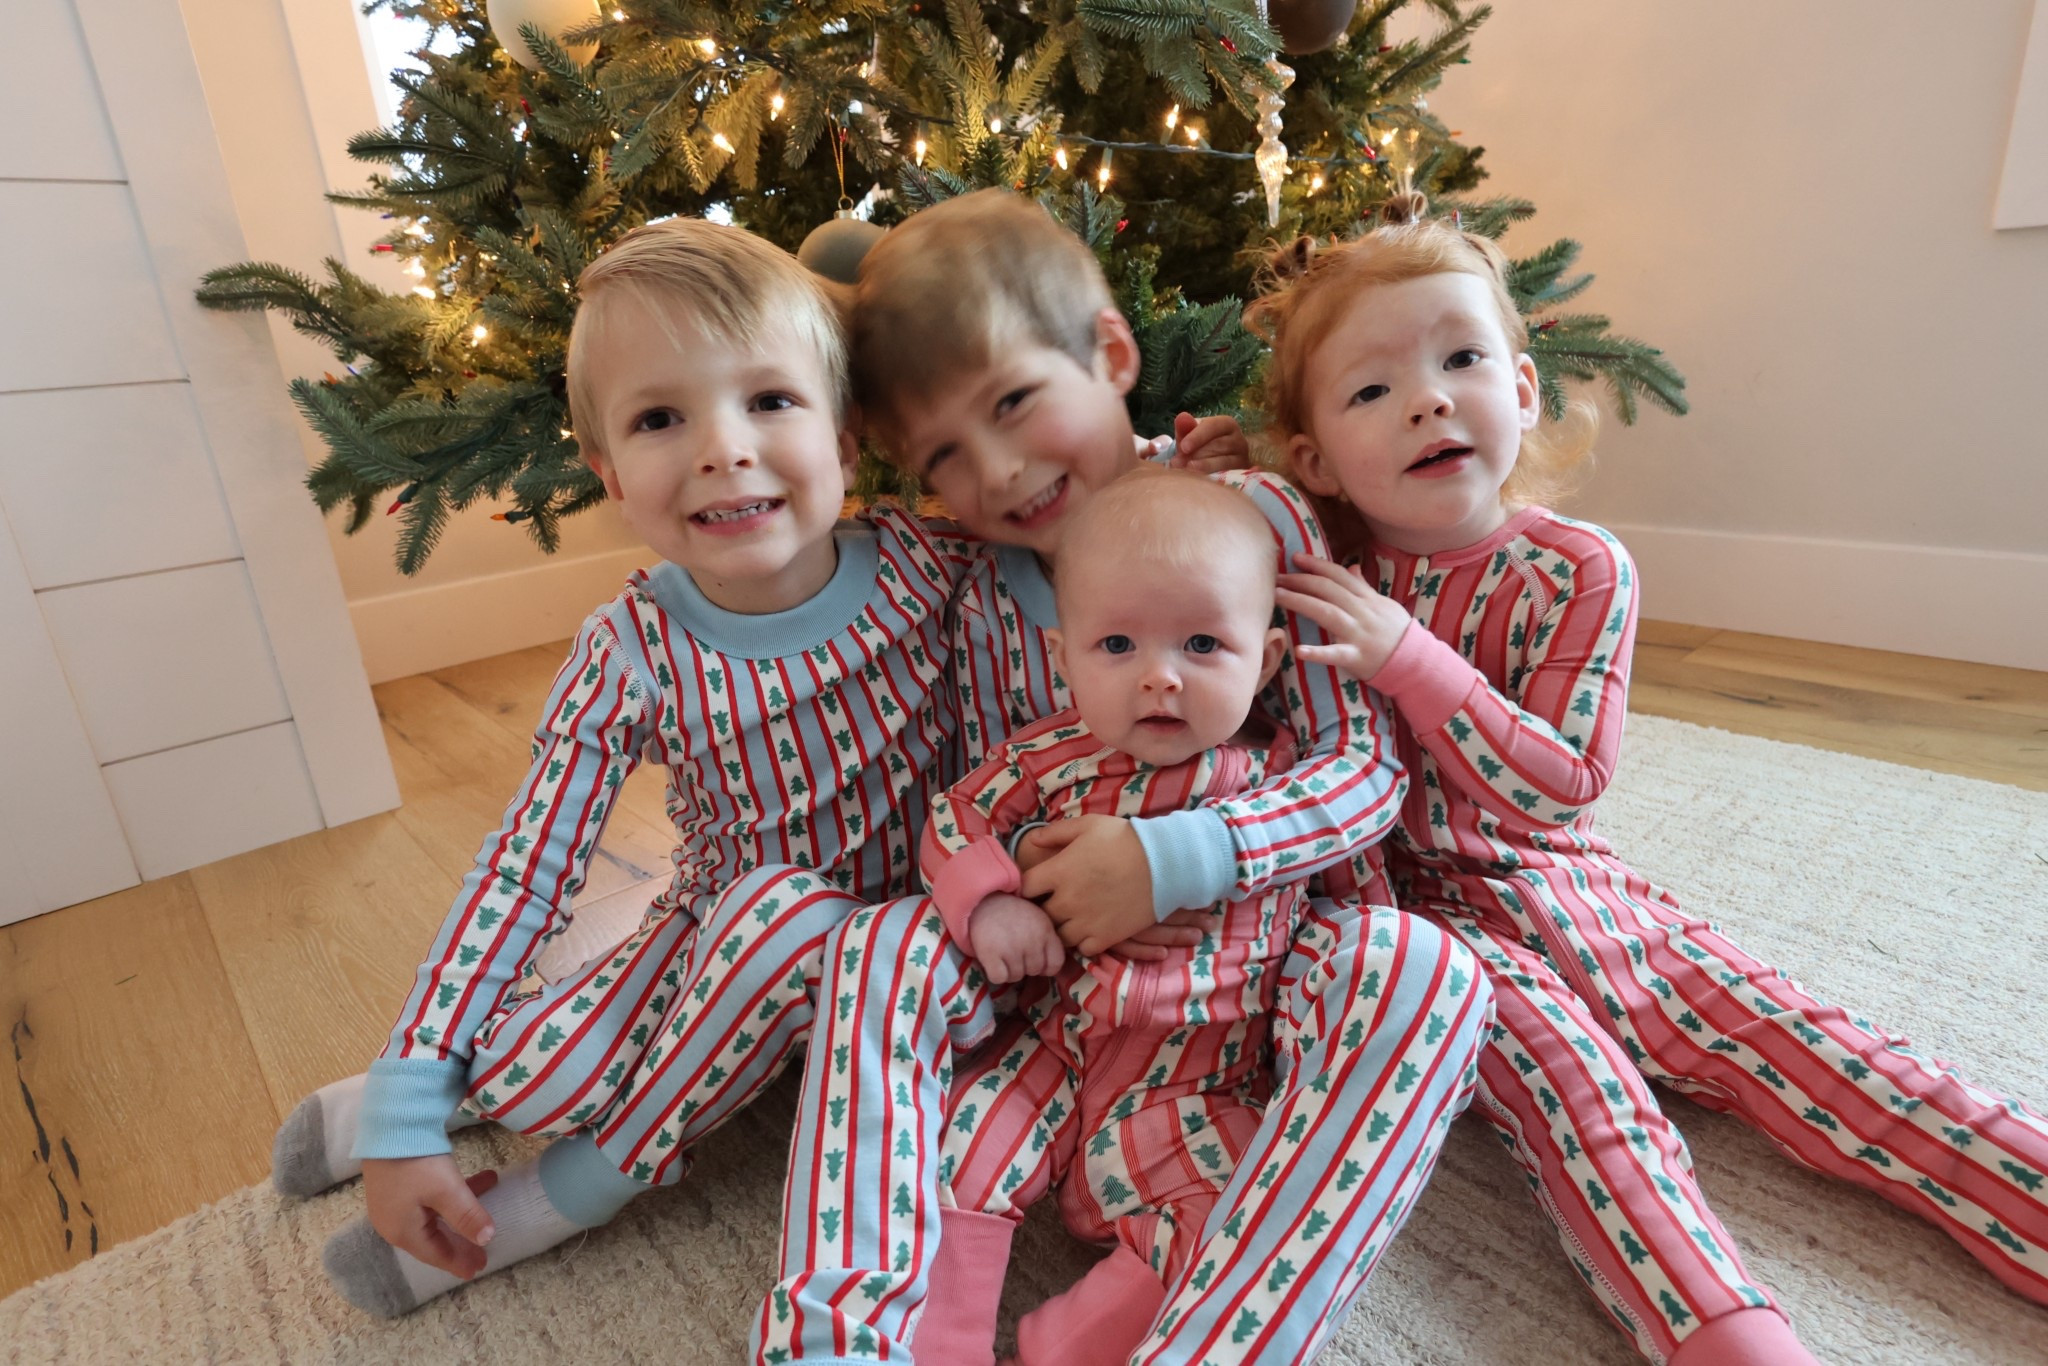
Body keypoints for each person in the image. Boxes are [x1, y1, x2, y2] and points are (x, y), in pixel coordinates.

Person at [1254, 190, 2048, 1364]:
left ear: (1519, 392)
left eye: (1461, 357)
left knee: (1812, 1049)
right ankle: (1728, 1336)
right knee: (1591, 1124)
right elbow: (1174, 525)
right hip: (1434, 940)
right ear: (1317, 457)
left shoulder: (1578, 569)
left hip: (1583, 898)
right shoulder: (1314, 564)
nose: (1427, 397)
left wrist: (1406, 657)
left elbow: (1563, 782)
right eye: (1372, 388)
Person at [756, 189, 1491, 1366]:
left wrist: (1178, 858)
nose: (993, 468)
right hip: (1032, 984)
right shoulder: (960, 577)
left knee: (1427, 977)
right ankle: (841, 1339)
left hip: (1239, 970)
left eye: (1012, 403)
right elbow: (964, 796)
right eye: (943, 453)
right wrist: (1004, 895)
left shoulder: (1250, 513)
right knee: (873, 945)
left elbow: (1362, 769)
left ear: (1107, 351)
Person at [271, 216, 989, 1317]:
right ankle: (398, 1097)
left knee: (798, 917)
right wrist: (412, 1102)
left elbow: (1075, 527)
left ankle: (571, 1191)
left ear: (848, 441)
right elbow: (525, 870)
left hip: (917, 945)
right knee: (549, 1067)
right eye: (661, 418)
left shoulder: (928, 565)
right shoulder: (634, 650)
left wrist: (1178, 461)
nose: (721, 448)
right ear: (609, 471)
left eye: (769, 401)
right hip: (723, 941)